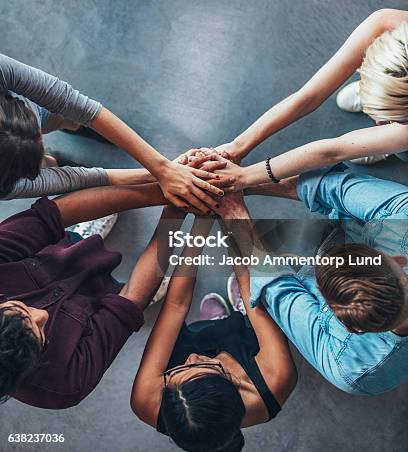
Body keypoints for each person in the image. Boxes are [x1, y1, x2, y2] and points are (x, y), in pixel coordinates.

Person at [0, 172, 205, 409]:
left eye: (22, 310)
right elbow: (131, 300)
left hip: (57, 252)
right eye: (41, 332)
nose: (42, 315)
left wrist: (164, 190)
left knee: (74, 238)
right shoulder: (66, 383)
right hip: (101, 304)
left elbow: (51, 216)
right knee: (128, 299)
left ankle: (82, 238)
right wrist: (174, 212)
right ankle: (135, 288)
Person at [205, 158, 408, 395]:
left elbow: (277, 288)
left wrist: (231, 210)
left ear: (348, 327)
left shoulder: (353, 370)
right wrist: (239, 180)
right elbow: (331, 186)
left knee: (263, 279)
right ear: (397, 260)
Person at [131, 199, 297, 452]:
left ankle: (216, 324)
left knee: (195, 329)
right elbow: (250, 281)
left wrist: (203, 220)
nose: (193, 357)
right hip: (244, 341)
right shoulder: (276, 379)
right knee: (258, 303)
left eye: (177, 372)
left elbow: (175, 306)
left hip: (192, 334)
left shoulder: (147, 400)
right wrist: (228, 210)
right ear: (232, 385)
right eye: (205, 366)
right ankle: (238, 318)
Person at [192, 9, 408, 189]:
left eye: (394, 118)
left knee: (402, 148)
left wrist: (245, 176)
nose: (379, 123)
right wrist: (236, 146)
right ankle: (385, 97)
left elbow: (334, 151)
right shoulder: (385, 22)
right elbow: (308, 96)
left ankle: (388, 146)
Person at [0, 53, 228, 212]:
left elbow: (70, 101)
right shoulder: (5, 184)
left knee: (64, 116)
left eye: (37, 133)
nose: (42, 135)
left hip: (34, 121)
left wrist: (163, 168)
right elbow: (69, 179)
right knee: (46, 166)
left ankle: (70, 126)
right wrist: (163, 171)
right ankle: (53, 160)